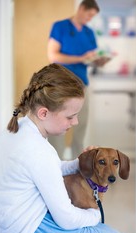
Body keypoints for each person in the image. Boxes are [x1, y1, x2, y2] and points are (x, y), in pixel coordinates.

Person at [0, 63, 136, 233]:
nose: (76, 122)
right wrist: (95, 214)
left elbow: (44, 169)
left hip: (5, 226)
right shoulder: (39, 150)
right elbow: (67, 219)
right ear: (44, 113)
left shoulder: (16, 129)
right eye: (70, 116)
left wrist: (77, 163)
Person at [47, 0, 108, 159]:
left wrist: (98, 61)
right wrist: (80, 58)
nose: (89, 18)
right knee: (58, 123)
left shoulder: (89, 33)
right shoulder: (60, 27)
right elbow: (53, 56)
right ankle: (55, 162)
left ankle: (78, 163)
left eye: (92, 16)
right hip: (61, 83)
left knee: (80, 124)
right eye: (89, 14)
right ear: (81, 8)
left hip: (81, 85)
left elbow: (91, 58)